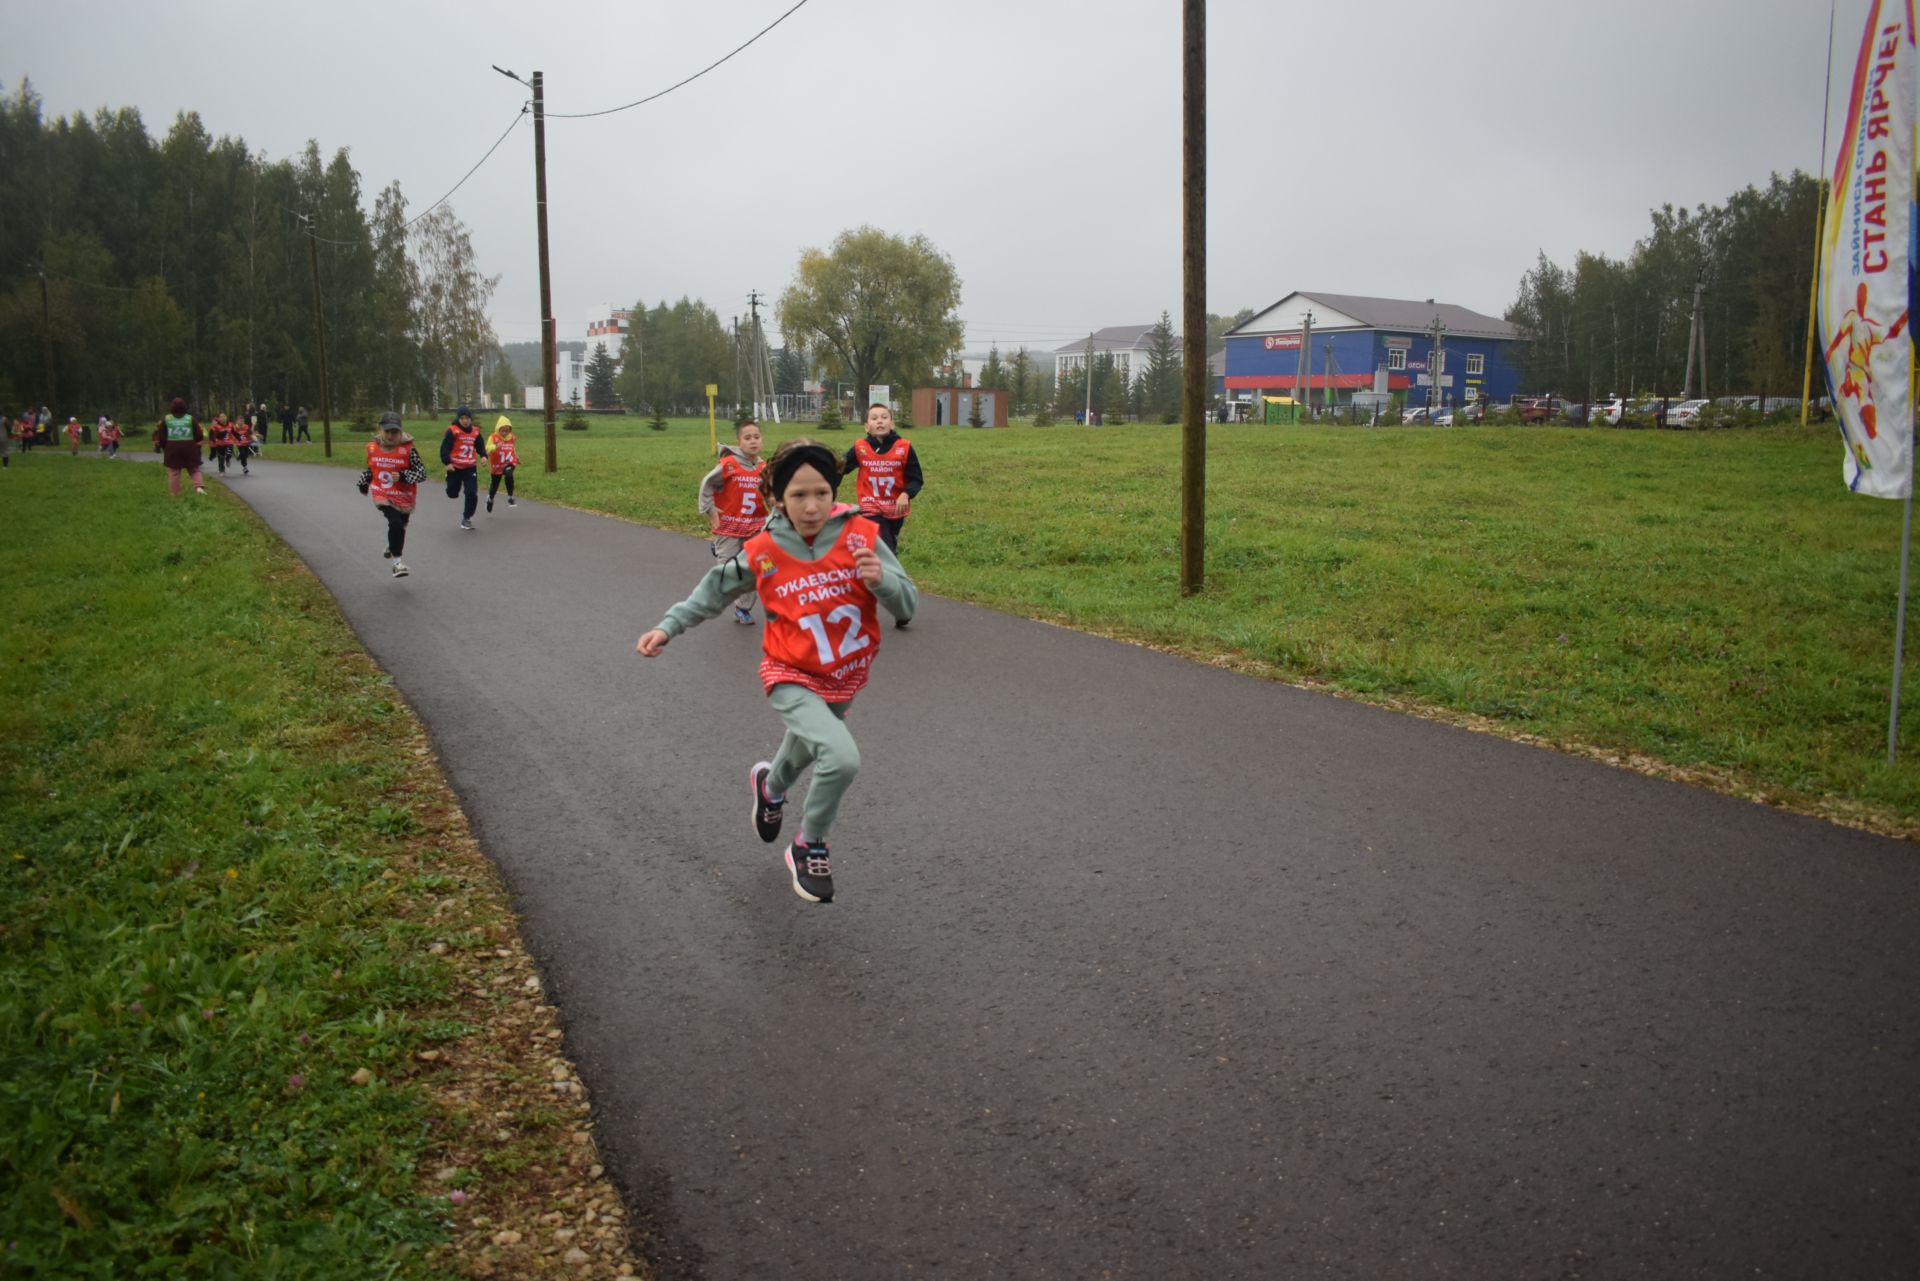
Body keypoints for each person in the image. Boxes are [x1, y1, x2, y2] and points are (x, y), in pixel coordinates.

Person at [636, 439, 917, 905]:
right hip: (788, 672)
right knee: (841, 757)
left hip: (845, 674)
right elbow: (712, 593)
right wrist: (668, 627)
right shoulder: (764, 550)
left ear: (834, 492)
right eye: (799, 496)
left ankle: (770, 787)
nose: (812, 506)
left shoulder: (862, 537)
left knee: (807, 747)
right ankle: (809, 845)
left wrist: (881, 582)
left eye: (822, 493)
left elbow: (908, 604)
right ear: (779, 500)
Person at [840, 402, 923, 627]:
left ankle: (894, 596)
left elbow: (916, 478)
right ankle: (894, 605)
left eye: (884, 417)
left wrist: (906, 493)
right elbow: (840, 469)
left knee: (888, 552)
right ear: (866, 426)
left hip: (895, 511)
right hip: (870, 509)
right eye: (874, 418)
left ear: (892, 423)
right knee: (885, 553)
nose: (879, 421)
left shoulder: (904, 447)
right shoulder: (860, 448)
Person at [698, 418, 769, 624]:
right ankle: (719, 549)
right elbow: (707, 485)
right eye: (747, 438)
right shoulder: (729, 465)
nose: (753, 441)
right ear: (739, 442)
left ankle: (743, 608)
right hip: (729, 525)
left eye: (756, 437)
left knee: (758, 568)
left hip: (755, 526)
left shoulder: (764, 467)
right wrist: (710, 510)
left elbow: (772, 492)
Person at [357, 411, 427, 578]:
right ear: (380, 430)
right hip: (383, 493)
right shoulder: (373, 448)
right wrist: (363, 482)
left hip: (404, 495)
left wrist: (404, 476)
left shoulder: (409, 450)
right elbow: (372, 469)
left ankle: (392, 544)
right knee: (395, 523)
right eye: (387, 431)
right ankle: (398, 564)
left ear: (400, 432)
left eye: (394, 432)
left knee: (400, 526)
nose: (390, 435)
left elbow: (422, 473)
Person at [152, 397, 205, 496]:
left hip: (172, 447)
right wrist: (194, 442)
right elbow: (199, 435)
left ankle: (175, 494)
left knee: (174, 471)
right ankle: (199, 487)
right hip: (189, 447)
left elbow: (162, 436)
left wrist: (165, 447)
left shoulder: (166, 419)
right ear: (184, 407)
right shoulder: (190, 418)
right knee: (194, 469)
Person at [440, 405, 482, 530]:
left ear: (471, 419)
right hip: (455, 467)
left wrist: (484, 455)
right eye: (462, 418)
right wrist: (447, 462)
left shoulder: (475, 431)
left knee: (472, 493)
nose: (465, 420)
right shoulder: (453, 431)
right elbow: (445, 448)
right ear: (458, 419)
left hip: (470, 467)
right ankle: (449, 480)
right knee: (452, 493)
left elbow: (480, 445)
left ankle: (466, 518)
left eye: (467, 418)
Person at [485, 414, 519, 513]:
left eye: (507, 430)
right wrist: (495, 446)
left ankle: (510, 497)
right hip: (497, 465)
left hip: (509, 462)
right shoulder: (493, 437)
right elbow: (487, 449)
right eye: (502, 430)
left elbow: (511, 448)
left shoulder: (512, 437)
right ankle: (490, 499)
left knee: (509, 475)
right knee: (494, 486)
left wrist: (516, 457)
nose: (505, 432)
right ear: (498, 429)